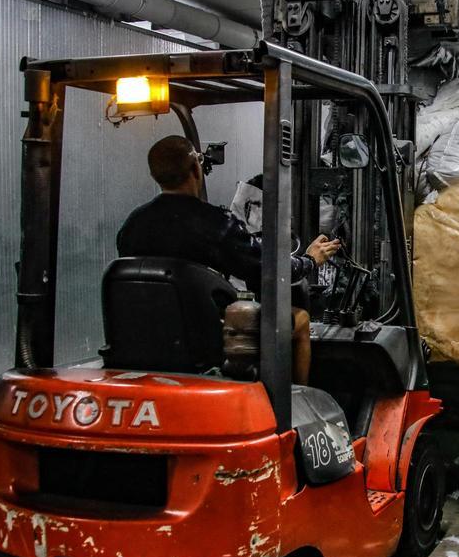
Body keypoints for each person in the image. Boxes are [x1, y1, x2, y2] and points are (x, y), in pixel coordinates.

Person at [118, 135, 340, 383]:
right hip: (206, 337)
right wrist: (309, 260)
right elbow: (265, 269)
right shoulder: (215, 225)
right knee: (300, 320)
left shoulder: (132, 225)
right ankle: (296, 406)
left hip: (146, 338)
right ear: (195, 168)